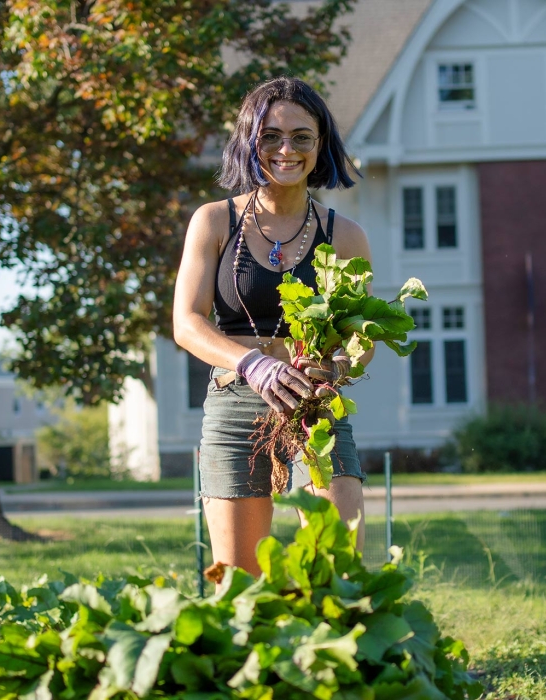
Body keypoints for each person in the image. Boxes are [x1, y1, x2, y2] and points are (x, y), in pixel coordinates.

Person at [172, 76, 373, 577]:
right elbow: (186, 321)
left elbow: (360, 333)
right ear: (249, 142)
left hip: (314, 406)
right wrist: (252, 363)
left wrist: (343, 362)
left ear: (321, 144)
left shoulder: (344, 236)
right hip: (236, 402)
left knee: (336, 567)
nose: (287, 149)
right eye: (270, 136)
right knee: (239, 583)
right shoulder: (215, 222)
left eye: (302, 137)